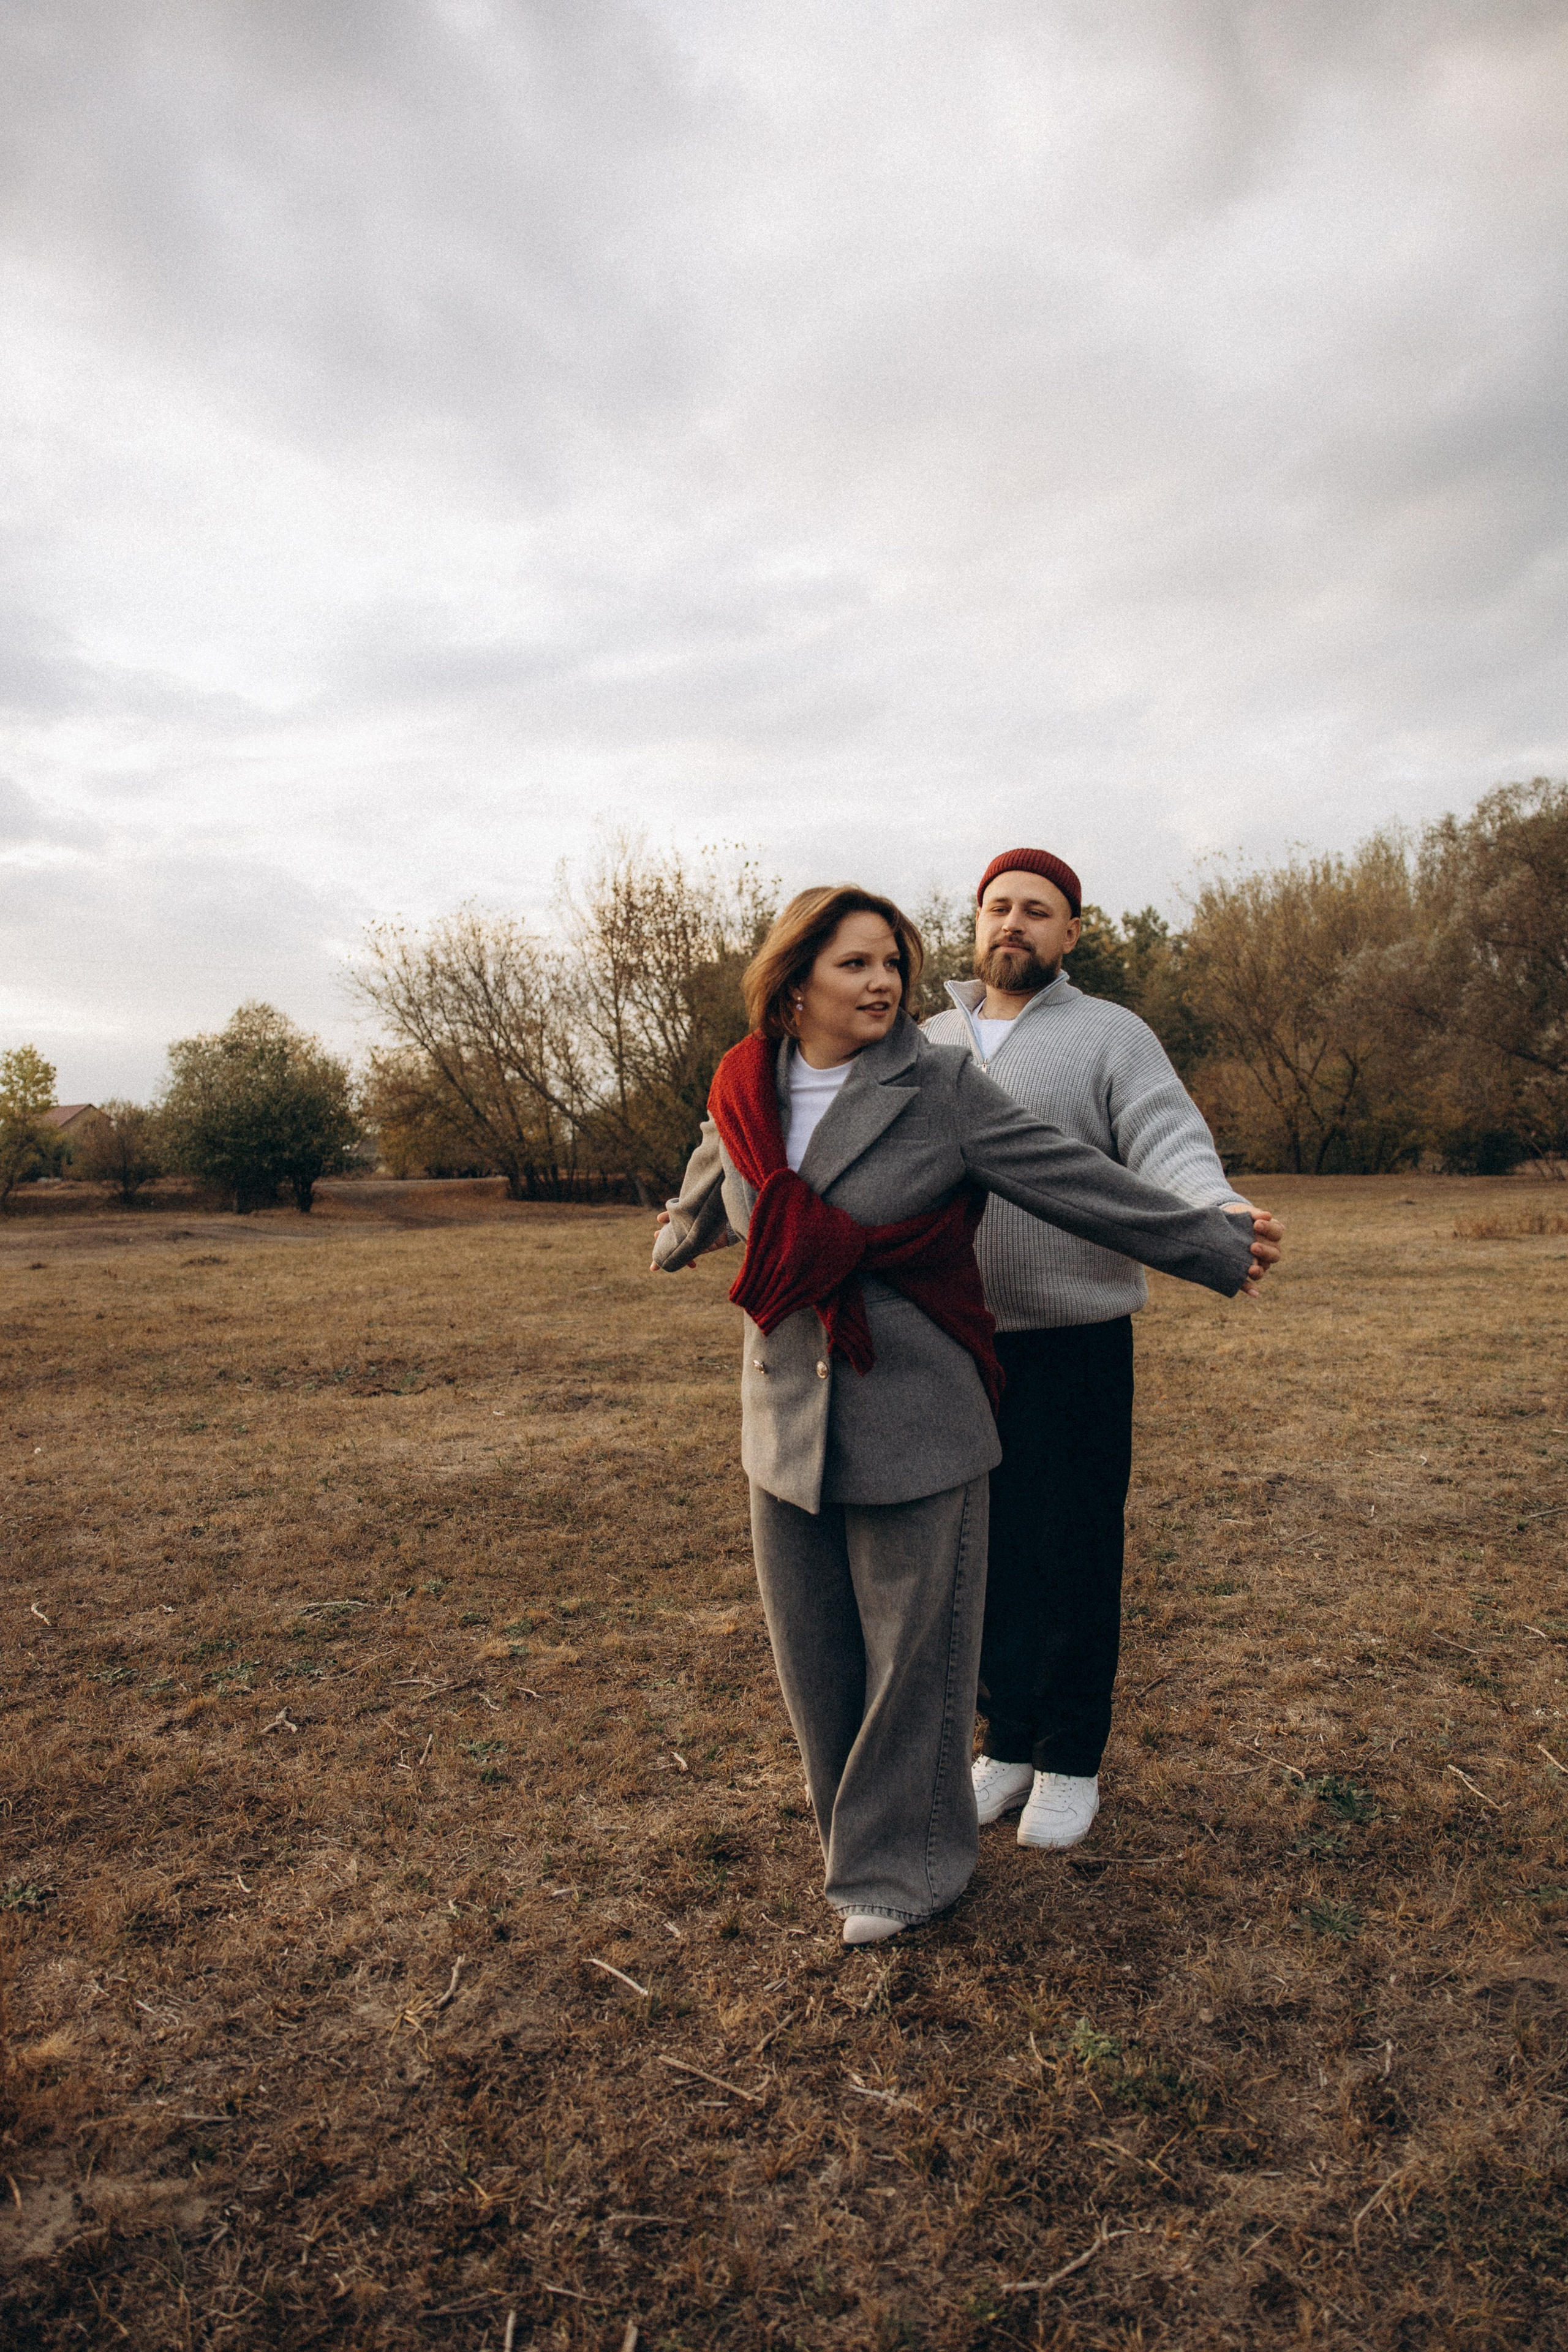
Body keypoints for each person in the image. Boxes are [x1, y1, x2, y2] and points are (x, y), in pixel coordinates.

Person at [651, 884, 1276, 1948]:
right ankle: (861, 1840)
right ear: (795, 980)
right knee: (819, 1658)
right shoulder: (743, 1083)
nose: (884, 981)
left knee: (916, 1663)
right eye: (856, 964)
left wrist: (1208, 1237)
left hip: (916, 1401)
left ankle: (912, 1871)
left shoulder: (940, 1083)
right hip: (786, 1410)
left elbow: (1069, 1176)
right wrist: (679, 1232)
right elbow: (722, 1179)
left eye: (893, 962)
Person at [922, 849, 1283, 1853]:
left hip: (1077, 1340)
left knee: (1074, 1551)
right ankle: (1009, 1744)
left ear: (1072, 933)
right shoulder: (929, 1044)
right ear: (977, 921)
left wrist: (1215, 1211)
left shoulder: (1110, 1035)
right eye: (999, 907)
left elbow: (1168, 1141)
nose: (1014, 925)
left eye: (1038, 912)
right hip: (955, 1345)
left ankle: (1073, 1758)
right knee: (981, 1554)